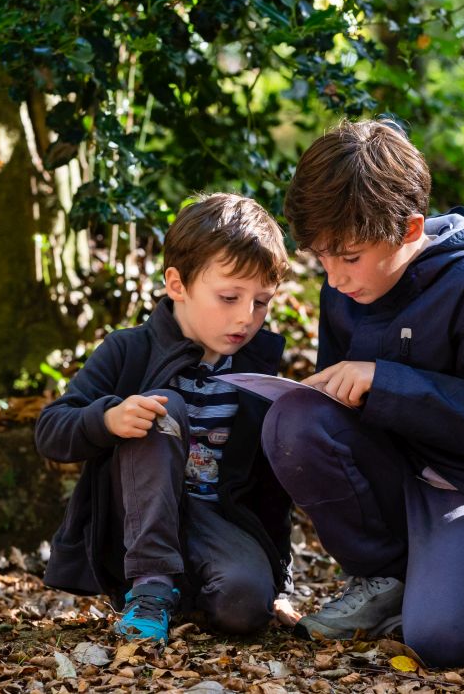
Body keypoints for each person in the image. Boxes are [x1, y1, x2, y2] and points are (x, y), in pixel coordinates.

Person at [261, 118, 464, 668]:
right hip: (390, 475)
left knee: (441, 643)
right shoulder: (344, 287)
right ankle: (387, 576)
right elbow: (333, 418)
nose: (335, 277)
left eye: (348, 257)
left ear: (411, 229)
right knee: (294, 419)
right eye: (321, 257)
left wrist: (385, 380)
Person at [34, 193, 297, 643]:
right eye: (230, 297)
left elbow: (272, 487)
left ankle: (187, 590)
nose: (246, 317)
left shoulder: (257, 366)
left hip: (214, 520)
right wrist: (108, 419)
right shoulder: (129, 349)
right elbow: (52, 430)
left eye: (261, 302)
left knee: (244, 610)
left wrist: (282, 584)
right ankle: (151, 587)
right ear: (177, 285)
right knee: (160, 407)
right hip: (137, 514)